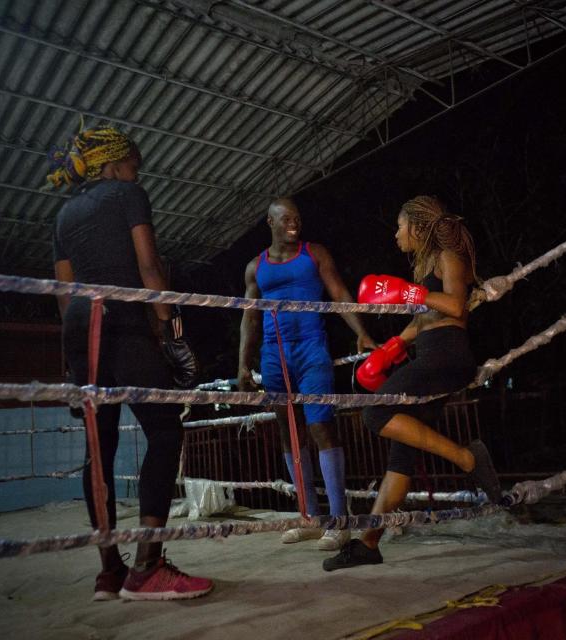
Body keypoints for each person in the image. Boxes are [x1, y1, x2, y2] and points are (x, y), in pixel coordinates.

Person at [49, 127, 212, 600]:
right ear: (115, 164)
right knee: (164, 430)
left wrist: (73, 360)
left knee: (99, 449)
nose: (137, 172)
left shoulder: (62, 214)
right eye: (134, 165)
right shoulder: (128, 194)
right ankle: (148, 567)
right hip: (122, 318)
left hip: (81, 327)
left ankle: (109, 574)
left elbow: (65, 293)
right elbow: (147, 265)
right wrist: (173, 329)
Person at [323, 195, 501, 571]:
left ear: (418, 227)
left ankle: (467, 457)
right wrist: (392, 346)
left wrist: (409, 292)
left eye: (401, 225)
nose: (396, 234)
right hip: (430, 355)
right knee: (400, 458)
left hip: (448, 357)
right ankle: (369, 543)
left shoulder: (448, 256)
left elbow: (455, 306)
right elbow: (424, 319)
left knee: (375, 414)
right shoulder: (425, 269)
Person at [237, 197, 377, 550]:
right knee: (289, 433)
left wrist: (360, 331)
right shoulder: (256, 266)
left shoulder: (314, 253)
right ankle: (310, 517)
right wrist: (242, 363)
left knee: (320, 427)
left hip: (312, 348)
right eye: (286, 219)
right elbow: (249, 317)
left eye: (297, 218)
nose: (293, 224)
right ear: (269, 222)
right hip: (273, 355)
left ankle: (339, 520)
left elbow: (339, 293)